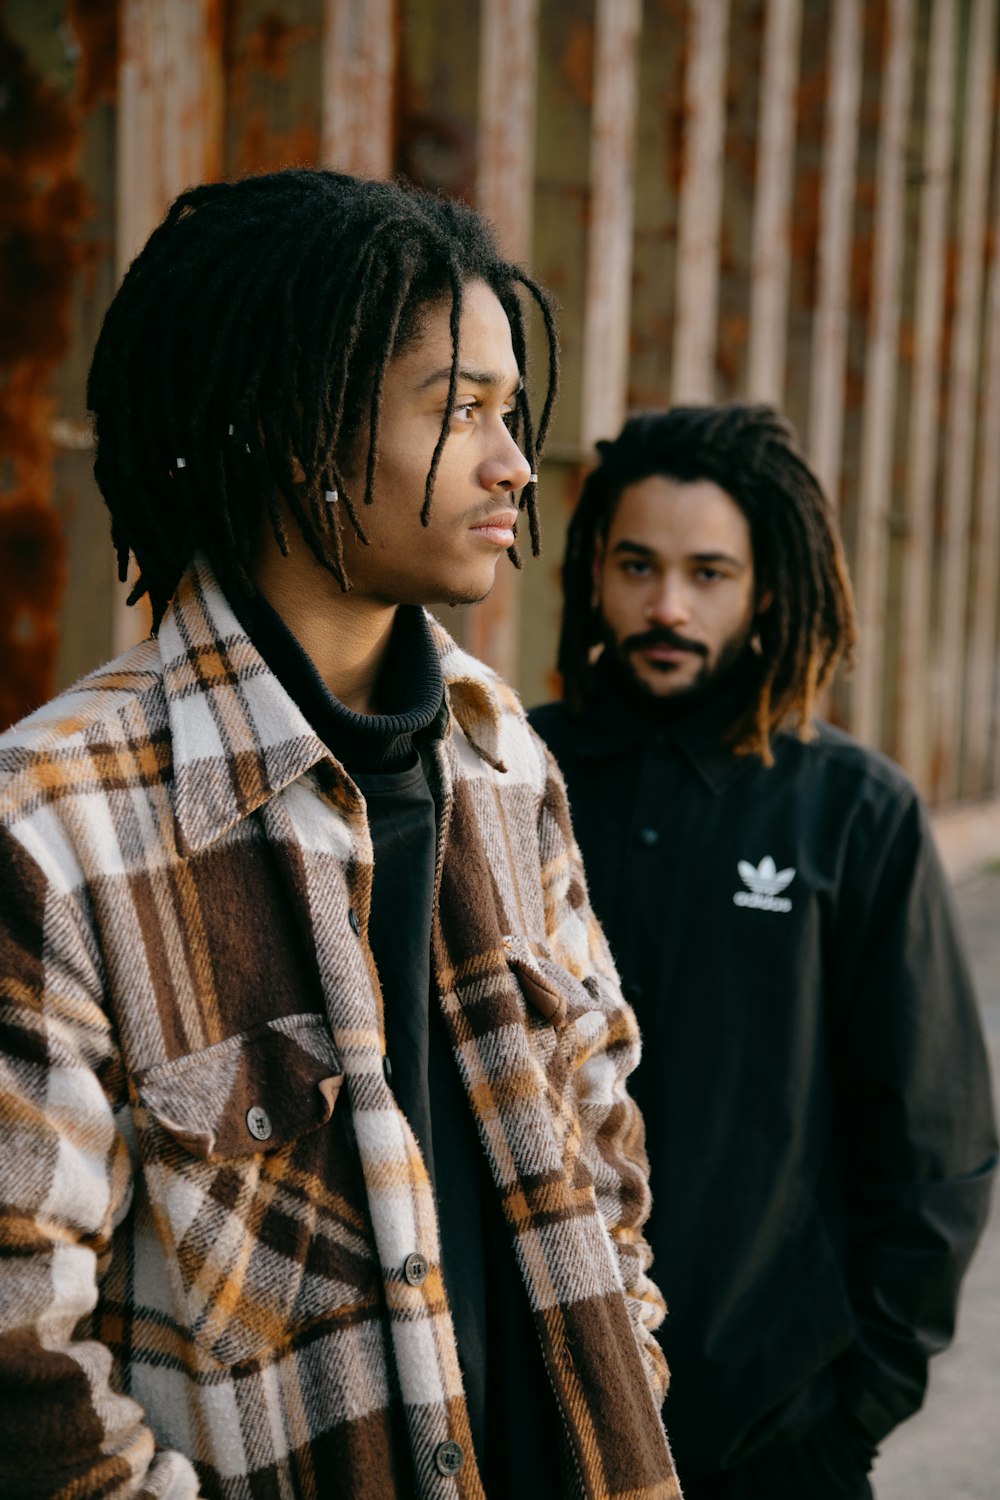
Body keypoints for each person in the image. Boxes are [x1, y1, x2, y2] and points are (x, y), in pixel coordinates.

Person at [0, 170, 681, 1500]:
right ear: (293, 426)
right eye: (460, 408)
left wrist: (632, 1390)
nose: (512, 462)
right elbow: (20, 1351)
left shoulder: (504, 762)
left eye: (512, 409)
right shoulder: (54, 823)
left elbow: (606, 1164)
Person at [529, 404, 997, 1500]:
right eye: (638, 565)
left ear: (766, 586)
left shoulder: (852, 811)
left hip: (767, 1442)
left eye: (709, 573)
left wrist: (851, 1414)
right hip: (533, 1422)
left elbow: (935, 1149)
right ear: (595, 568)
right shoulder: (509, 775)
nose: (668, 606)